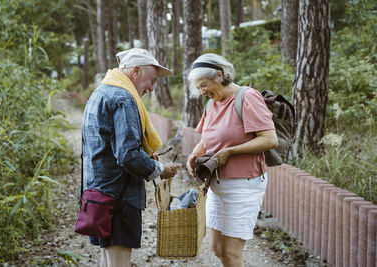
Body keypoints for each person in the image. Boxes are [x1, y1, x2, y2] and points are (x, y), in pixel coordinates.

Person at [81, 48, 182, 267]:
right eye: (152, 80)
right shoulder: (124, 99)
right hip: (118, 197)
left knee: (107, 259)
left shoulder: (102, 91)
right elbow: (128, 156)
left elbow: (111, 144)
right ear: (135, 71)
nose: (152, 88)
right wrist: (160, 168)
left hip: (99, 194)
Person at [186, 53, 278, 267]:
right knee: (217, 249)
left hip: (243, 185)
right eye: (199, 87)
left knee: (231, 253)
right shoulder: (211, 104)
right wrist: (194, 153)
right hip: (217, 185)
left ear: (220, 75)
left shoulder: (247, 97)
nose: (203, 91)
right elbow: (208, 138)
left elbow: (269, 139)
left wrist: (230, 152)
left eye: (205, 85)